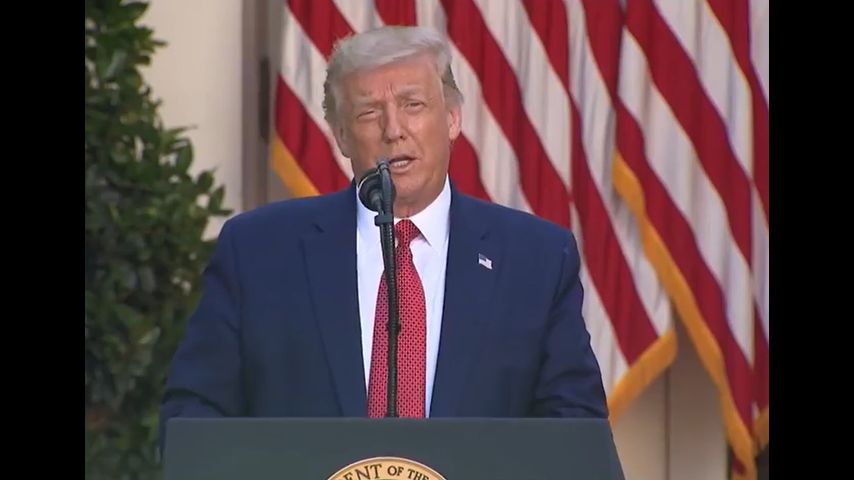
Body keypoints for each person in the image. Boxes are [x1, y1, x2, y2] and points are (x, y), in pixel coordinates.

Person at [159, 25, 607, 449]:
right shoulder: (258, 252)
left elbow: (575, 430)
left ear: (452, 119)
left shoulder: (535, 259)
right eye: (369, 113)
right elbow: (195, 418)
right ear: (341, 136)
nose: (394, 130)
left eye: (413, 105)